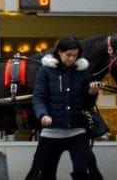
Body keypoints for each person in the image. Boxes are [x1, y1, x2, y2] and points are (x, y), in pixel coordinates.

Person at [31, 35, 99, 180]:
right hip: (51, 132)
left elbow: (87, 105)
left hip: (77, 131)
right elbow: (38, 97)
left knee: (82, 171)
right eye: (68, 55)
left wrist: (92, 94)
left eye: (75, 55)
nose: (71, 59)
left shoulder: (82, 72)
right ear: (59, 52)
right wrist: (43, 115)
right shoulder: (46, 71)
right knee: (47, 174)